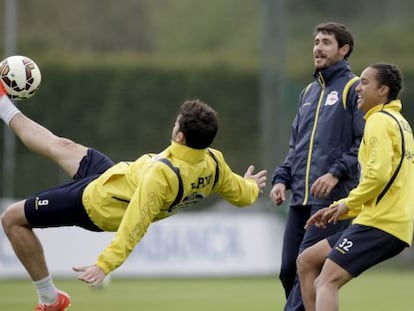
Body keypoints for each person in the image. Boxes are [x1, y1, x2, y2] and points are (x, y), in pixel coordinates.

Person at [0, 82, 267, 311]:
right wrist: (251, 186)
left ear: (180, 136)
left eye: (176, 122)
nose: (173, 124)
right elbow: (242, 195)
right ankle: (3, 102)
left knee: (11, 218)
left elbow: (135, 224)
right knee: (60, 146)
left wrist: (105, 265)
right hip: (117, 175)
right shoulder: (213, 162)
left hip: (95, 202)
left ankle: (49, 298)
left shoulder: (162, 176)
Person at [297, 63, 414, 311]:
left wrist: (345, 203)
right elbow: (386, 183)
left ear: (383, 90)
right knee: (307, 261)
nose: (358, 88)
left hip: (381, 222)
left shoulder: (379, 121)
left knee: (326, 281)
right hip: (384, 220)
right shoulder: (399, 122)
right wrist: (340, 209)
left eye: (364, 83)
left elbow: (378, 176)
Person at [269, 22, 365, 310]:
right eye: (316, 42)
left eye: (326, 42)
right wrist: (281, 179)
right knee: (288, 269)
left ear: (343, 49)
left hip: (330, 201)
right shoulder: (308, 93)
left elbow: (363, 142)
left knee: (305, 268)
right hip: (300, 197)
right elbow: (296, 147)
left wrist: (336, 173)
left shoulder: (354, 87)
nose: (318, 48)